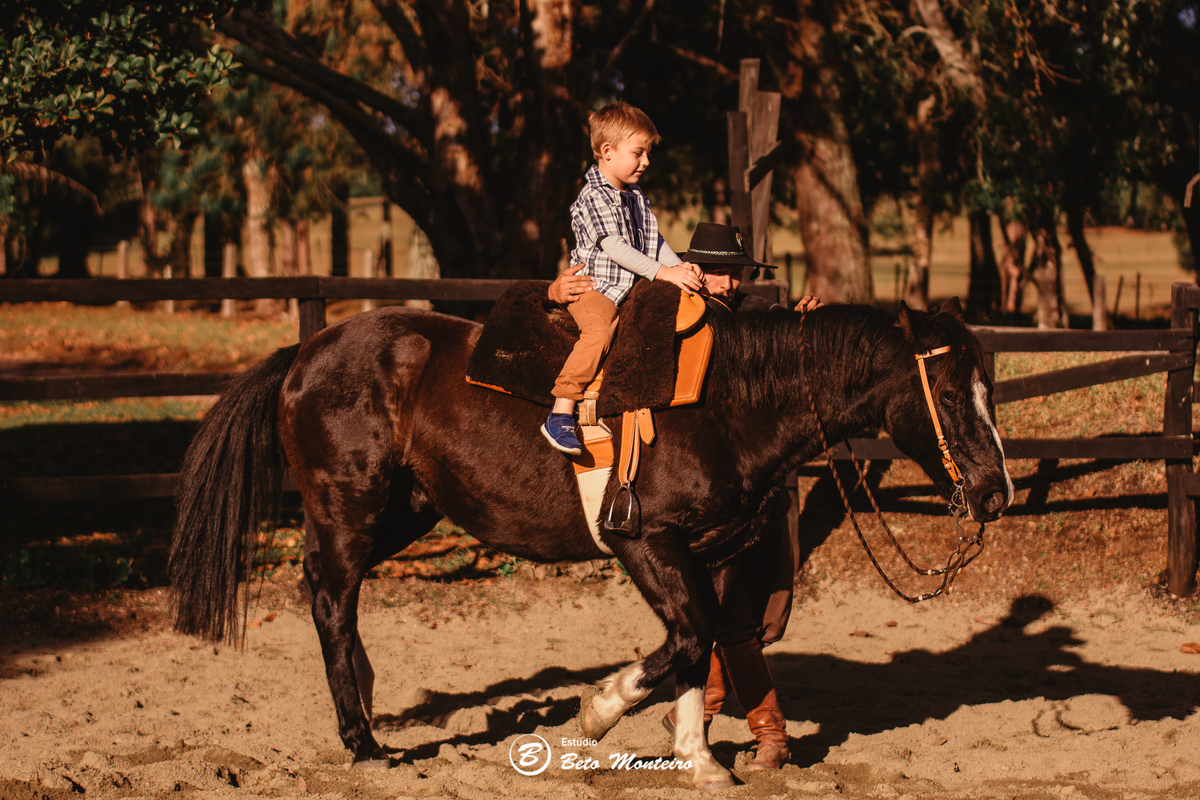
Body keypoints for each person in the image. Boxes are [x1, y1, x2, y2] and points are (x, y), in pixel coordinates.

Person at [676, 222, 819, 771]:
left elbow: (799, 375)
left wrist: (807, 332)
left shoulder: (761, 317)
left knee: (769, 611)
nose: (730, 283)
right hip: (708, 492)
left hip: (769, 486)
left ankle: (706, 703)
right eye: (719, 271)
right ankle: (770, 735)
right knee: (734, 616)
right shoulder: (681, 320)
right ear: (695, 269)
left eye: (736, 272)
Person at [542, 101, 704, 455]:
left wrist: (679, 267)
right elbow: (615, 247)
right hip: (596, 288)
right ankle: (561, 410)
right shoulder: (594, 196)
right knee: (599, 332)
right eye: (639, 153)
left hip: (629, 289)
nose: (646, 161)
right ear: (607, 151)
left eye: (647, 153)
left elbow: (653, 241)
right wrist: (664, 273)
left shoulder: (635, 197)